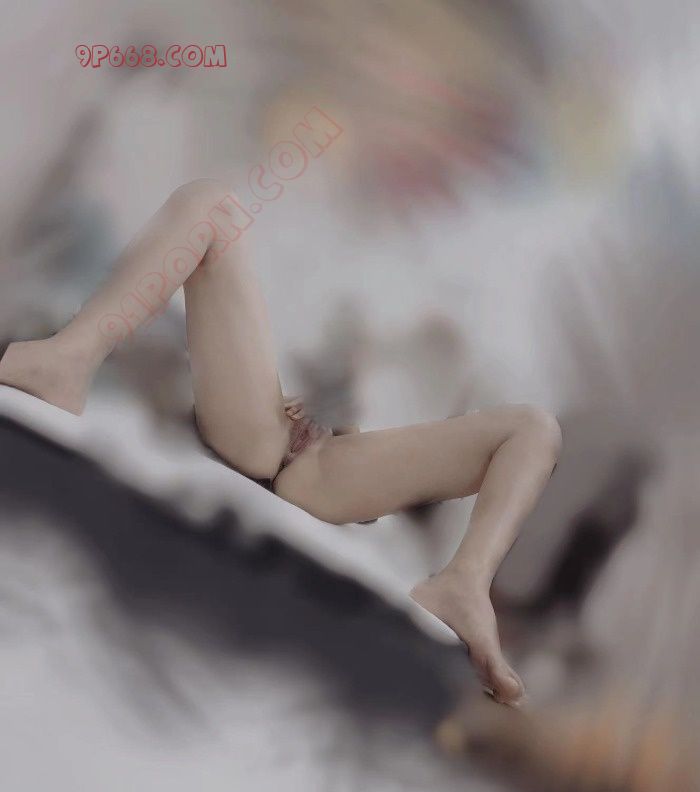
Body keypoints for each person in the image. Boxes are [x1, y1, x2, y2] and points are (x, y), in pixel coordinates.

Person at [0, 179, 561, 706]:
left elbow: (401, 467)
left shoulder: (457, 348)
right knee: (213, 202)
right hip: (277, 426)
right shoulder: (364, 272)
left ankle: (465, 582)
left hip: (336, 469)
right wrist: (324, 405)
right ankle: (68, 359)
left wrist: (344, 426)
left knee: (537, 428)